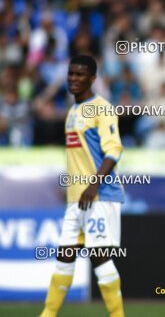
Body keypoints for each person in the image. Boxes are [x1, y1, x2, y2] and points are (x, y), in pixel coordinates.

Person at [41, 55, 124, 317]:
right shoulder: (73, 111)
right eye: (71, 74)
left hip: (99, 196)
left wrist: (93, 186)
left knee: (100, 257)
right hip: (76, 199)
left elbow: (113, 151)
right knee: (65, 256)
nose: (74, 79)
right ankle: (48, 314)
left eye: (80, 75)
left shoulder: (102, 108)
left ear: (92, 78)